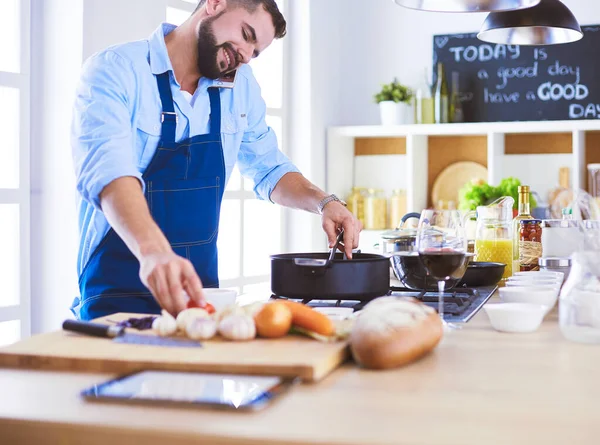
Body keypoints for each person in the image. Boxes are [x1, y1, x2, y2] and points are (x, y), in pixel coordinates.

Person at [70, 0, 362, 321]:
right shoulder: (115, 70)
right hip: (115, 298)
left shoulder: (241, 87)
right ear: (215, 4)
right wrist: (154, 252)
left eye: (256, 51)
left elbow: (270, 169)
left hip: (199, 300)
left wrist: (326, 202)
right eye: (246, 35)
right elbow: (109, 173)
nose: (246, 56)